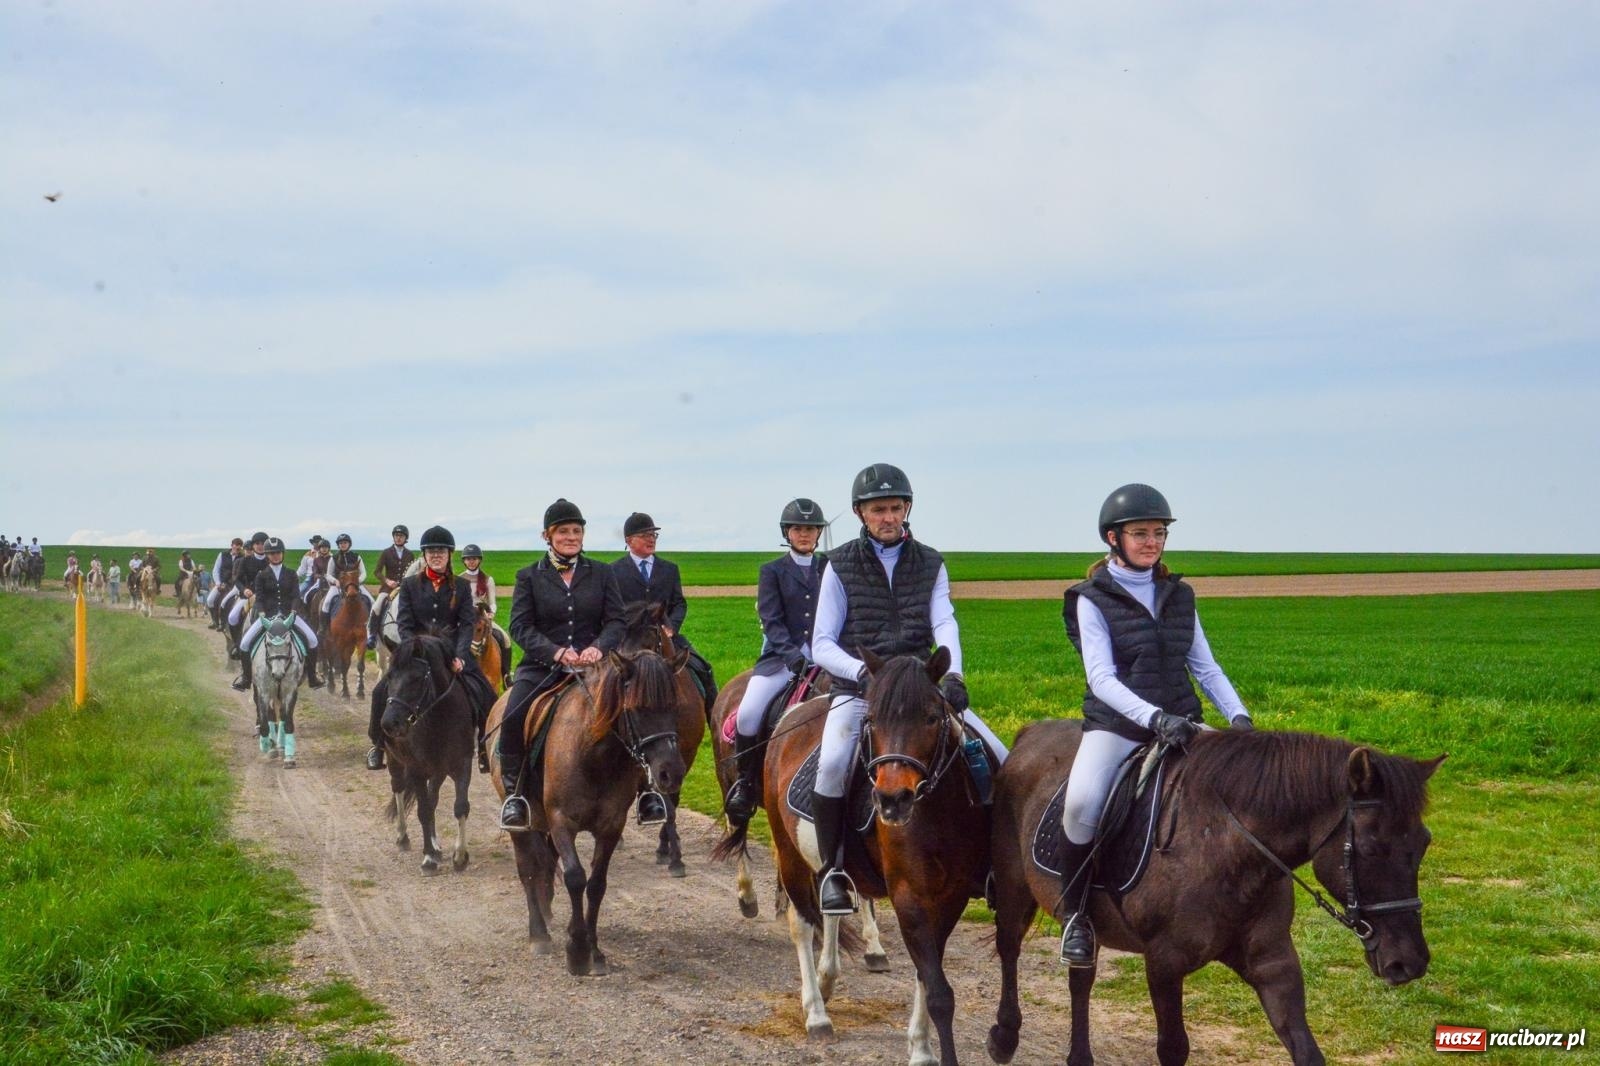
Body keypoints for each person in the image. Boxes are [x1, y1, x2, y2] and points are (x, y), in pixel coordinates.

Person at [1054, 483, 1253, 968]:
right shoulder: (1090, 598)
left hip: (1182, 723)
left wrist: (1239, 717)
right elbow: (1101, 677)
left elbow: (1205, 666)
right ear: (1113, 538)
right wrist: (1154, 717)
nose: (1152, 542)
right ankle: (1076, 915)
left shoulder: (1178, 594)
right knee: (1081, 804)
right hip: (1118, 727)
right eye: (1140, 533)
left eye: (1159, 533)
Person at [810, 462, 1011, 915]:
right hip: (862, 686)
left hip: (921, 686)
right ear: (861, 513)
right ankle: (834, 872)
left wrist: (953, 673)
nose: (888, 517)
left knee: (996, 756)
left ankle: (995, 866)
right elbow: (821, 641)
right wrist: (864, 676)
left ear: (907, 509)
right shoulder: (838, 564)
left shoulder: (931, 562)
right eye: (878, 509)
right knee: (832, 763)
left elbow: (944, 620)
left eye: (895, 508)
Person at [494, 499, 626, 831]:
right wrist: (556, 652)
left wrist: (598, 648)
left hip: (595, 668)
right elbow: (521, 627)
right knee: (513, 715)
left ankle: (647, 790)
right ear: (547, 536)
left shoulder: (602, 573)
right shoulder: (529, 577)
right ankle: (515, 795)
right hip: (543, 668)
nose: (571, 536)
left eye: (576, 531)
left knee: (637, 712)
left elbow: (616, 622)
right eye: (563, 531)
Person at [722, 497, 829, 828]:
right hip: (782, 660)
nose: (805, 534)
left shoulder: (831, 567)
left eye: (811, 529)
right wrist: (791, 655)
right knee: (751, 712)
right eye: (798, 528)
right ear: (787, 532)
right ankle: (744, 782)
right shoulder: (772, 571)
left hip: (828, 659)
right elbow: (771, 619)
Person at [364, 526, 497, 770]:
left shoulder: (461, 586)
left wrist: (460, 655)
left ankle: (484, 746)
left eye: (441, 551)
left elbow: (467, 624)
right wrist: (412, 648)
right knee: (380, 692)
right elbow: (404, 624)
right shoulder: (410, 585)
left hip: (454, 652)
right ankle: (378, 745)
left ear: (449, 555)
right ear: (424, 555)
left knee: (486, 693)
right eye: (431, 551)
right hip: (417, 652)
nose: (436, 555)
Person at [610, 512, 719, 713]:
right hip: (629, 640)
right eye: (645, 535)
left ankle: (715, 722)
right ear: (629, 540)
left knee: (704, 668)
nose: (651, 539)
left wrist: (671, 627)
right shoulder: (613, 571)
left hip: (666, 637)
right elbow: (611, 609)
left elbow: (679, 604)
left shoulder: (669, 569)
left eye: (654, 535)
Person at [234, 537, 324, 691]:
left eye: (278, 553)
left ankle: (312, 676)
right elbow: (260, 598)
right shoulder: (261, 575)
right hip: (267, 618)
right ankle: (246, 678)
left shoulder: (291, 574)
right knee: (244, 644)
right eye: (272, 553)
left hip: (289, 617)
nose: (275, 555)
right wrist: (261, 614)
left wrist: (294, 612)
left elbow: (296, 596)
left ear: (282, 554)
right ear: (267, 555)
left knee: (313, 640)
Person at [460, 544, 513, 690]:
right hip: (465, 618)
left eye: (474, 559)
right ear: (464, 561)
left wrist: (491, 613)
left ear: (479, 560)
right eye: (468, 559)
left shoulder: (488, 579)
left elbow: (493, 602)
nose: (471, 561)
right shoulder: (459, 579)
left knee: (505, 638)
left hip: (483, 617)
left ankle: (506, 675)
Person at [227, 533, 272, 685]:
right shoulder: (245, 561)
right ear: (253, 545)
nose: (259, 545)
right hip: (248, 596)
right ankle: (237, 645)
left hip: (266, 599)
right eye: (257, 543)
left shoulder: (271, 560)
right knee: (232, 617)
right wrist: (244, 589)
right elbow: (237, 579)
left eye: (262, 543)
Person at [368, 525, 413, 649]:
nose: (399, 538)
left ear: (405, 538)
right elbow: (377, 572)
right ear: (393, 537)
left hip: (404, 589)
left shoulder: (410, 555)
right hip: (388, 589)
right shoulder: (386, 552)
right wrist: (387, 581)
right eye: (396, 536)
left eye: (401, 536)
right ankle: (372, 635)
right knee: (377, 606)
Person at [321, 533, 372, 624]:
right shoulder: (334, 558)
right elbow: (328, 574)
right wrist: (335, 581)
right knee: (327, 602)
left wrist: (357, 581)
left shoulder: (357, 556)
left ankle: (372, 629)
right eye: (341, 543)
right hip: (338, 586)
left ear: (349, 544)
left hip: (355, 585)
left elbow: (364, 573)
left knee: (372, 601)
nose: (343, 545)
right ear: (338, 545)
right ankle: (323, 627)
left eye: (345, 542)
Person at [208, 538, 246, 630]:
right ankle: (214, 621)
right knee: (210, 600)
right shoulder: (222, 555)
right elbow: (216, 570)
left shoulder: (242, 557)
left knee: (226, 602)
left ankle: (225, 623)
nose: (237, 547)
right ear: (232, 545)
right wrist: (218, 583)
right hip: (221, 583)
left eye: (239, 545)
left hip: (234, 585)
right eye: (236, 545)